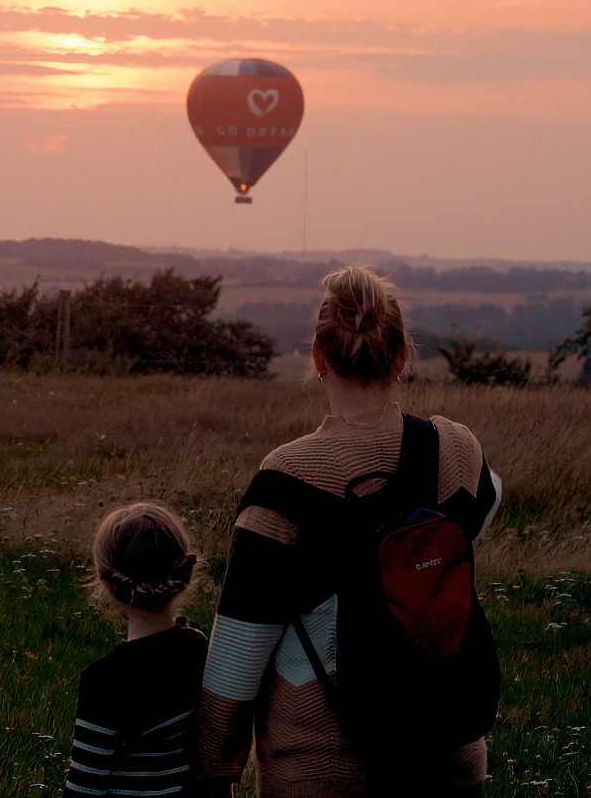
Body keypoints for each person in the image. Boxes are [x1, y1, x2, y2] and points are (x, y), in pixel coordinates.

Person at [198, 266, 503, 797]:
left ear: (318, 357)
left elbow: (235, 660)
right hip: (448, 756)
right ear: (402, 355)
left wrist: (213, 770)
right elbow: (491, 496)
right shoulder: (457, 451)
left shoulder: (285, 481)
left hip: (324, 769)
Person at [63, 501, 209, 798]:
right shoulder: (198, 649)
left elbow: (83, 790)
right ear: (185, 574)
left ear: (108, 585)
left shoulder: (105, 680)